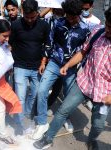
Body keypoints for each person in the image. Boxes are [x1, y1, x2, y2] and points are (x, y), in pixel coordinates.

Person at [33, 6, 111, 150]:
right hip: (84, 83)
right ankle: (48, 137)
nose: (107, 30)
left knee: (98, 124)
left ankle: (91, 140)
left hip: (105, 93)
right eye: (107, 25)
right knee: (63, 110)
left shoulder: (86, 28)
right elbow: (82, 52)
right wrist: (67, 65)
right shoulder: (97, 32)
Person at [32, 0, 90, 140]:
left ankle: (65, 118)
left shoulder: (85, 29)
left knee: (68, 96)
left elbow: (84, 52)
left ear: (79, 14)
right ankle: (41, 122)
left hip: (71, 68)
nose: (70, 19)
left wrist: (80, 68)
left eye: (73, 17)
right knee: (41, 90)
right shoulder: (58, 24)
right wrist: (43, 61)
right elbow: (50, 43)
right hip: (54, 63)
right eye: (68, 16)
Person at [9, 0, 50, 135]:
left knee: (36, 93)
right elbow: (10, 45)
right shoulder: (15, 25)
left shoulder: (44, 25)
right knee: (20, 95)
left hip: (37, 67)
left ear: (37, 13)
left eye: (33, 17)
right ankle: (19, 123)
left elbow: (47, 45)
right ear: (22, 13)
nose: (30, 20)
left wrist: (43, 62)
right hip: (20, 66)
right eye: (27, 17)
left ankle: (26, 113)